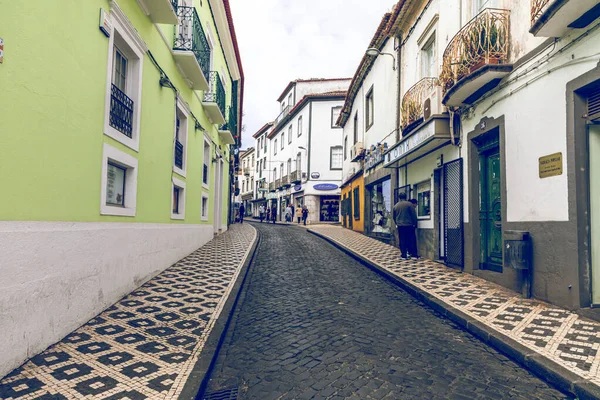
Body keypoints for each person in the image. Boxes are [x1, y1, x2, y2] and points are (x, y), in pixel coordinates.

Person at [393, 194, 418, 260]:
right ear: (405, 197)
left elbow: (394, 217)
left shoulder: (396, 206)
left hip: (400, 226)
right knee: (411, 239)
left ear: (399, 197)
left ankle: (403, 255)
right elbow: (413, 215)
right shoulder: (409, 204)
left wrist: (397, 223)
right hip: (409, 225)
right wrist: (415, 223)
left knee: (402, 240)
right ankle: (413, 255)